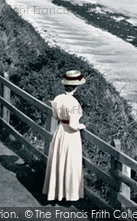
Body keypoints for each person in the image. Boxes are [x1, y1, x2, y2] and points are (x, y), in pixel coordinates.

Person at [42, 70, 87, 201]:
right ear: (77, 87)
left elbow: (56, 116)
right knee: (70, 164)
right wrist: (81, 126)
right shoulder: (73, 103)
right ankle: (68, 194)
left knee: (59, 160)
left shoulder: (58, 98)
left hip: (60, 130)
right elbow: (73, 125)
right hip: (71, 135)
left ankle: (56, 192)